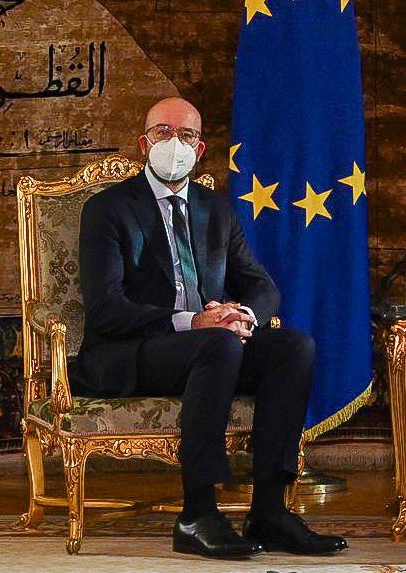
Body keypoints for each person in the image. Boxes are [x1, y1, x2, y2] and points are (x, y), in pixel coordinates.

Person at [70, 97, 347, 560]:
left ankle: (269, 511)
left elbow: (262, 285)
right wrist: (194, 322)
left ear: (200, 150)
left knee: (292, 347)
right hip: (131, 351)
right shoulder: (108, 209)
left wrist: (243, 315)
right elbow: (105, 309)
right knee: (217, 344)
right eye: (163, 132)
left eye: (187, 135)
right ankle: (197, 514)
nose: (174, 143)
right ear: (144, 143)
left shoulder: (215, 209)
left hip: (211, 350)